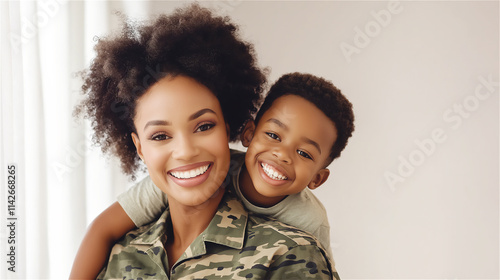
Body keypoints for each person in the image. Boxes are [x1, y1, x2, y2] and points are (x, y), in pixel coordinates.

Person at [71, 4, 336, 280]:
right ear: (139, 148)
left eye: (204, 126)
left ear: (228, 128)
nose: (186, 151)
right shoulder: (119, 256)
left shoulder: (290, 255)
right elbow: (101, 228)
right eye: (160, 136)